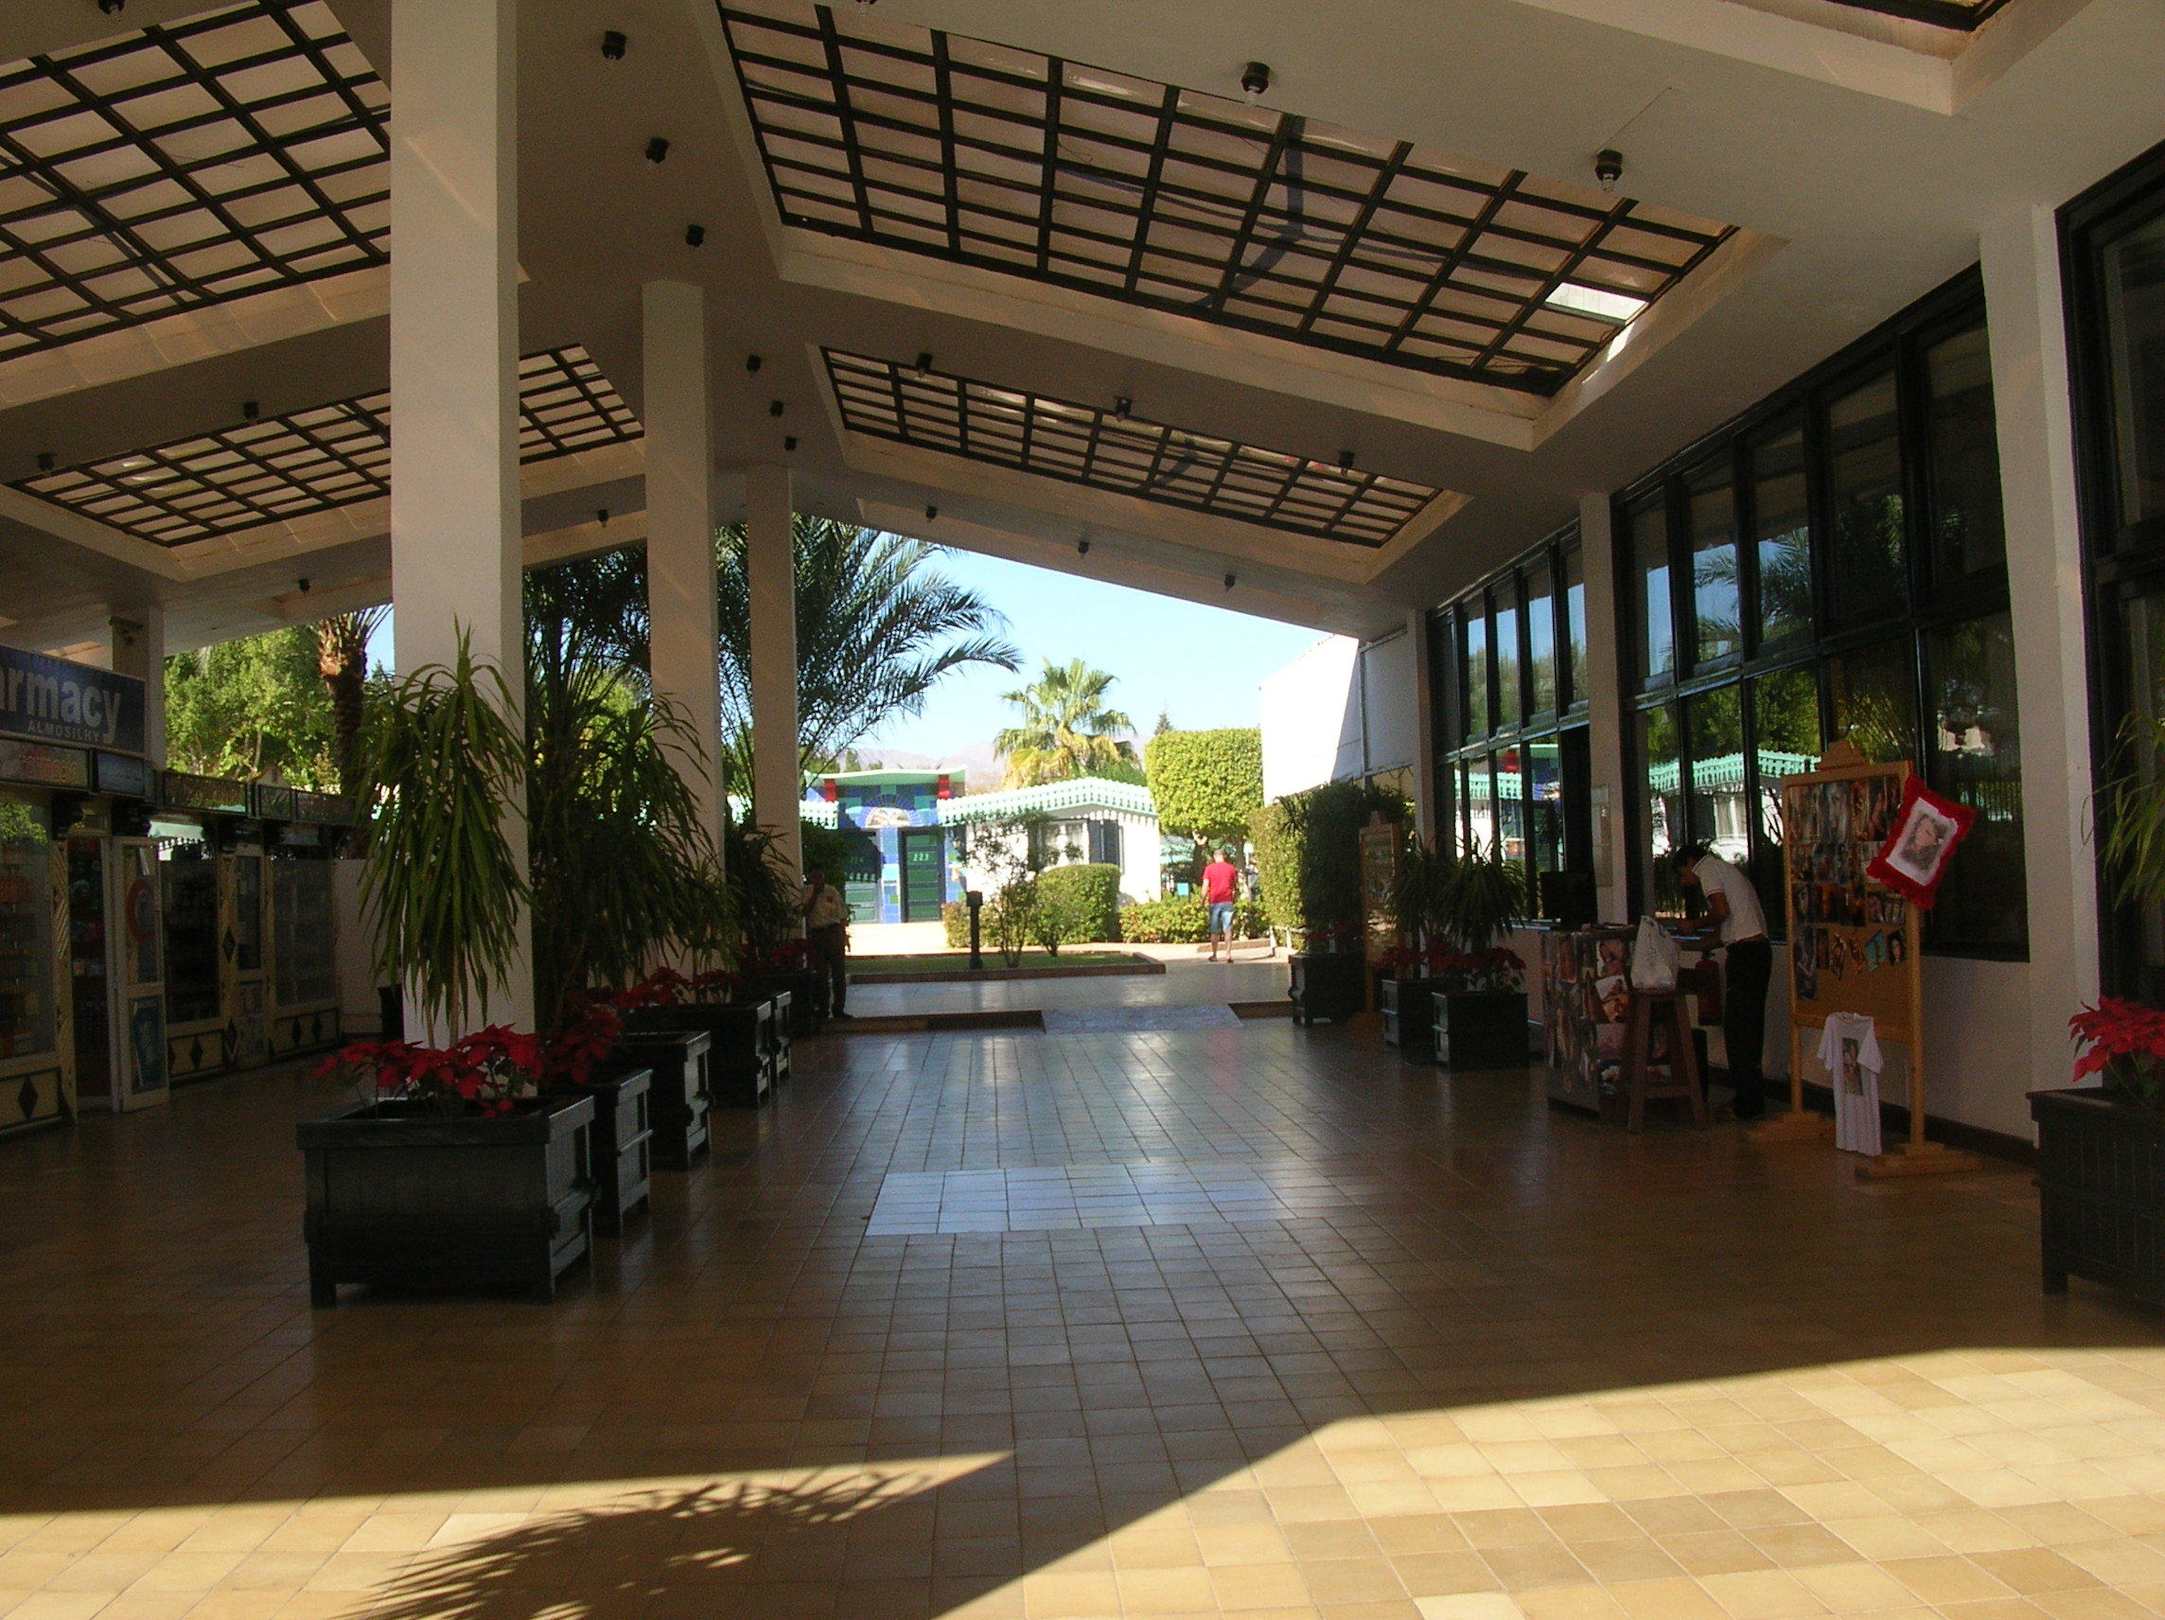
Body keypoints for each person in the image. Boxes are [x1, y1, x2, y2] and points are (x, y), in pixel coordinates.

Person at [1676, 841, 1771, 1121]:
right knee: (1748, 1029)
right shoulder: (1727, 871)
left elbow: (1721, 912)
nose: (1684, 881)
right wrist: (1687, 946)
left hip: (1747, 955)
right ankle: (1750, 1099)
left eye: (1682, 874)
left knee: (1739, 1031)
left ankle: (1746, 1105)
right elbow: (1724, 933)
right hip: (1755, 952)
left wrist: (1692, 924)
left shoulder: (1707, 869)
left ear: (1690, 863)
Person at [802, 866, 852, 1018]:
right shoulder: (807, 892)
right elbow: (804, 912)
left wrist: (844, 936)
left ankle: (839, 1009)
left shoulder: (831, 891)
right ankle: (823, 1009)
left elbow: (842, 914)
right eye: (815, 877)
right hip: (818, 934)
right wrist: (815, 895)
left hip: (833, 932)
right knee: (821, 974)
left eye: (821, 877)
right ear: (810, 878)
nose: (819, 881)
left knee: (839, 973)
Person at [1201, 846, 1241, 962]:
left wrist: (1202, 900)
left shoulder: (1209, 869)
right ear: (1224, 856)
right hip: (1228, 901)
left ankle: (1214, 954)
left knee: (1214, 930)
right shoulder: (1231, 868)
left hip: (1214, 902)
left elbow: (1205, 885)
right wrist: (1234, 899)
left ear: (1215, 857)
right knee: (1228, 928)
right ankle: (1228, 954)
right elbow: (1235, 887)